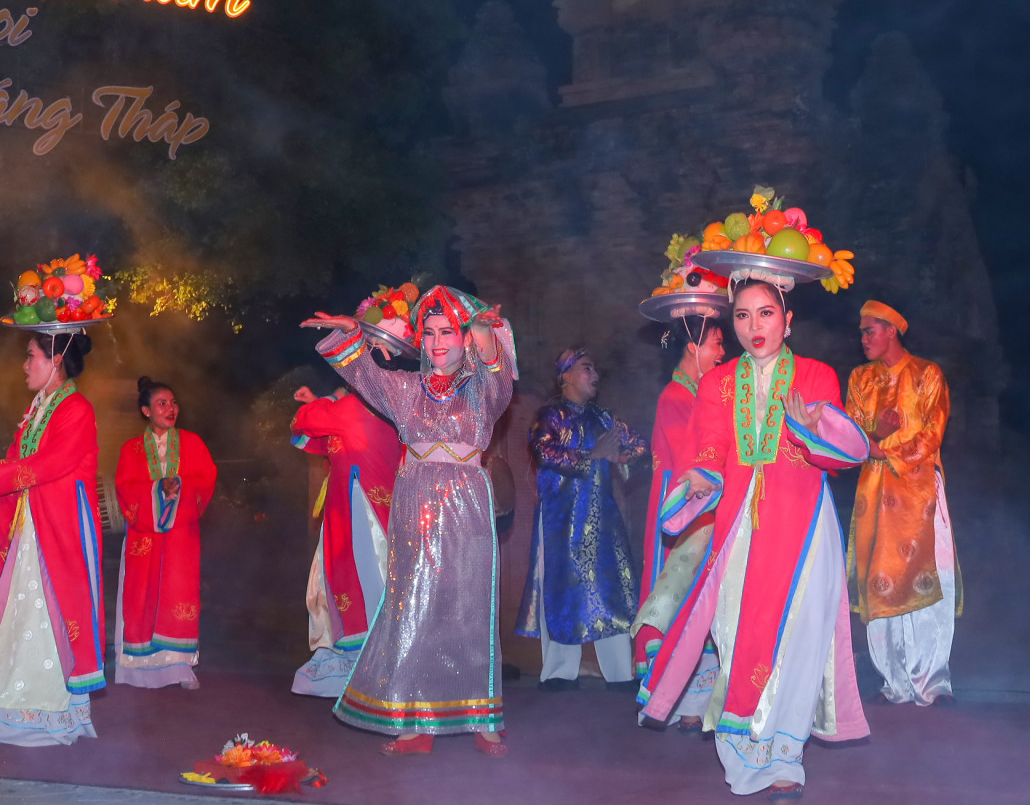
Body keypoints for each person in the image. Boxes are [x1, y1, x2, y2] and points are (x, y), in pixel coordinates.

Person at [640, 279, 871, 802]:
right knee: (739, 635)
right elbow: (710, 448)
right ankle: (745, 750)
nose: (753, 327)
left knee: (801, 637)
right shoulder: (718, 384)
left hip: (805, 529)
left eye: (765, 314)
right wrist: (700, 478)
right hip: (740, 531)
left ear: (788, 320)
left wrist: (815, 429)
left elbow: (844, 452)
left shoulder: (816, 375)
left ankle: (786, 757)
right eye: (742, 316)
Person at [302, 285, 514, 755]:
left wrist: (483, 327)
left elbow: (498, 364)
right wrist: (349, 334)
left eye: (448, 331)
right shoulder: (404, 389)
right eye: (431, 332)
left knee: (471, 606)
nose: (438, 342)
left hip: (468, 502)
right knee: (414, 605)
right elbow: (362, 370)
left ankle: (483, 718)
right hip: (415, 502)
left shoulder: (485, 390)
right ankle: (415, 721)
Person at [0, 329, 106, 745]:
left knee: (43, 613)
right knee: (16, 612)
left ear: (55, 360)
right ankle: (2, 705)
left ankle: (42, 709)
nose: (24, 364)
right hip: (33, 525)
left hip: (60, 529)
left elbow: (48, 466)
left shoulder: (77, 409)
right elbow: (21, 462)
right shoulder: (38, 408)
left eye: (31, 355)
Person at [845, 300, 958, 706]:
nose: (863, 340)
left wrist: (883, 452)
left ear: (891, 330)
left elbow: (933, 432)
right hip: (874, 493)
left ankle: (933, 683)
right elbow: (849, 435)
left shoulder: (927, 374)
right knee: (881, 583)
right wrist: (876, 433)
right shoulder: (859, 379)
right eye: (862, 332)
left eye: (869, 331)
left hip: (920, 491)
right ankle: (893, 682)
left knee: (928, 581)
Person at [517, 348, 646, 691]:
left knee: (610, 590)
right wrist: (592, 455)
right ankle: (559, 672)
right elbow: (543, 451)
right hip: (561, 521)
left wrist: (620, 455)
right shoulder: (550, 415)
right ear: (567, 375)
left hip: (601, 519)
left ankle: (621, 674)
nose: (596, 375)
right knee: (562, 590)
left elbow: (639, 447)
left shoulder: (603, 417)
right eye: (588, 368)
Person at [633, 315, 725, 722]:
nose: (722, 352)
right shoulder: (675, 396)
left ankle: (693, 706)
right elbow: (692, 464)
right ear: (693, 347)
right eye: (716, 343)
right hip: (683, 510)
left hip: (697, 508)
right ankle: (677, 703)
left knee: (698, 597)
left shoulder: (698, 395)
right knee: (680, 594)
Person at [289, 382, 400, 697]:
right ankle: (374, 658)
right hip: (371, 506)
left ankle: (361, 661)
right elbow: (323, 441)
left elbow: (304, 421)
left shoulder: (351, 407)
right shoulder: (387, 404)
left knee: (357, 576)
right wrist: (326, 403)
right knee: (372, 578)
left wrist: (324, 400)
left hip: (357, 508)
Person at [113, 378, 219, 690]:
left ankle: (181, 668)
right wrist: (158, 490)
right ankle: (138, 666)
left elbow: (206, 478)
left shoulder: (193, 442)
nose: (170, 408)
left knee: (179, 593)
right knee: (141, 595)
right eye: (162, 403)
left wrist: (180, 488)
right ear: (146, 410)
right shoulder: (130, 449)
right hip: (144, 539)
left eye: (173, 402)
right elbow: (125, 488)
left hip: (180, 537)